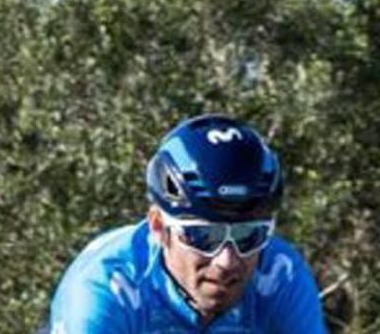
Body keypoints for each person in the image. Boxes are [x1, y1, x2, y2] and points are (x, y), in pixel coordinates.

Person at [48, 114, 326, 333]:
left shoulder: (280, 275)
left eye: (248, 236)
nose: (226, 261)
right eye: (203, 236)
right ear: (158, 227)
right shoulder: (104, 288)